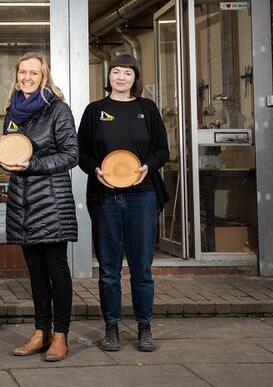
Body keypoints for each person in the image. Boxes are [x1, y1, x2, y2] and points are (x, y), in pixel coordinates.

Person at [77, 53, 169, 353]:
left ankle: (145, 327)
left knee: (142, 268)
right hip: (106, 198)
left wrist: (148, 166)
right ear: (108, 77)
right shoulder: (96, 111)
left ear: (135, 78)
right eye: (116, 72)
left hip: (143, 196)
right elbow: (82, 153)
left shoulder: (147, 109)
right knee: (108, 269)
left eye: (127, 73)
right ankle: (112, 327)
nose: (121, 77)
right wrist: (96, 170)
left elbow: (162, 150)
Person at [0, 53, 79, 362]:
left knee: (56, 270)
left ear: (44, 76)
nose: (28, 77)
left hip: (51, 200)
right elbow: (11, 147)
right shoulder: (13, 110)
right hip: (22, 200)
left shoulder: (57, 109)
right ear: (17, 75)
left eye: (34, 72)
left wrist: (32, 164)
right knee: (34, 272)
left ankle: (60, 335)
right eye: (23, 72)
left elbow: (71, 155)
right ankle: (40, 332)